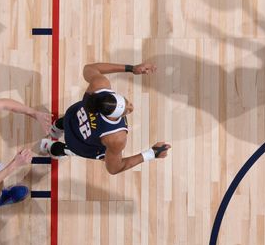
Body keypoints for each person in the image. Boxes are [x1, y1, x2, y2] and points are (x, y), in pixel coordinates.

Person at [40, 62, 170, 173]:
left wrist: (132, 68)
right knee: (102, 155)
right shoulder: (116, 137)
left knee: (70, 120)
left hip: (71, 118)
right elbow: (114, 169)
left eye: (127, 103)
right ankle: (52, 148)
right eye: (126, 110)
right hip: (78, 143)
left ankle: (55, 127)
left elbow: (89, 68)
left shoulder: (99, 85)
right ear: (115, 117)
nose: (131, 107)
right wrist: (152, 153)